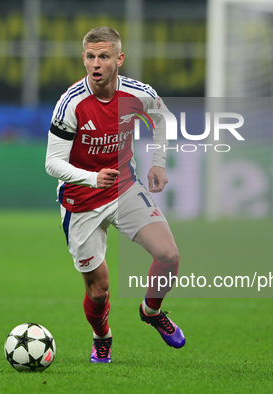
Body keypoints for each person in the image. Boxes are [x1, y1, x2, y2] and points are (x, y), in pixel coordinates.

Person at [45, 26, 185, 364]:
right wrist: (92, 178)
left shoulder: (139, 94)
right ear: (83, 59)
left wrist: (158, 164)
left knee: (168, 255)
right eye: (90, 57)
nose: (95, 64)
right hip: (80, 203)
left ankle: (151, 310)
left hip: (124, 189)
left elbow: (162, 119)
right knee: (99, 289)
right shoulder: (71, 104)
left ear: (118, 60)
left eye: (103, 56)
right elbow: (52, 163)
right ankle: (102, 337)